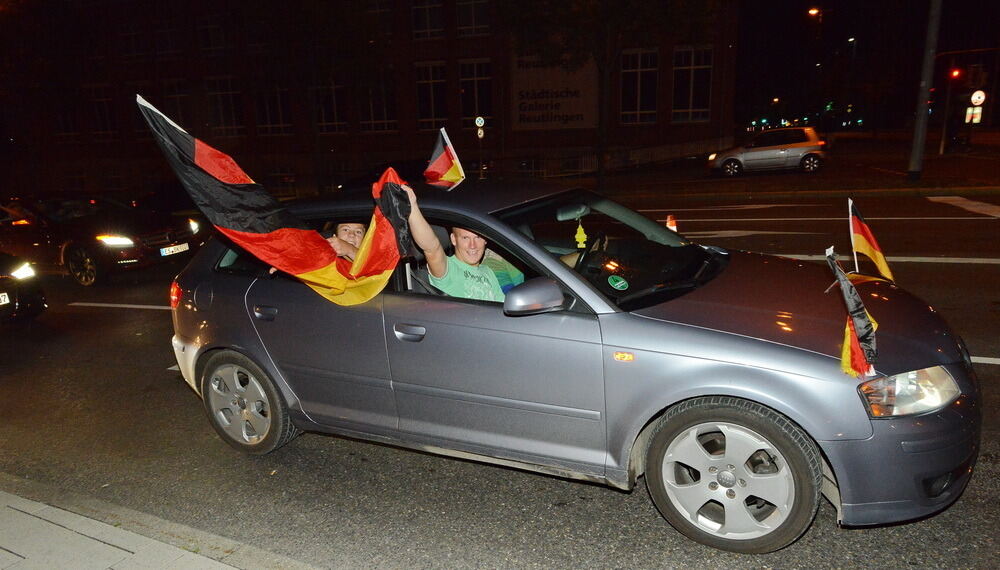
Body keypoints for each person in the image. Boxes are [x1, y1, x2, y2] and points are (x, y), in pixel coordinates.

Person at [401, 185, 504, 302]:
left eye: (478, 237)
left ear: (486, 240)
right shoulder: (449, 269)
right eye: (465, 238)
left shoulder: (488, 271)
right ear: (453, 239)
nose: (472, 245)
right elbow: (432, 248)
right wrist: (412, 206)